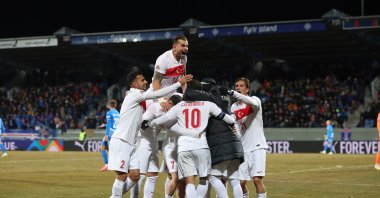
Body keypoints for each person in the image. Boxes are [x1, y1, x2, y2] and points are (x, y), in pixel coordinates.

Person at [107, 70, 192, 198]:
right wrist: (178, 83)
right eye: (142, 80)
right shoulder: (135, 94)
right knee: (122, 175)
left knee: (135, 175)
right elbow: (157, 92)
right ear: (134, 84)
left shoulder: (139, 94)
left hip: (132, 143)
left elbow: (155, 88)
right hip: (122, 140)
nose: (145, 82)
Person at [149, 79, 237, 198]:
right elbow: (226, 118)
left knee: (189, 181)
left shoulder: (180, 105)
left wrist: (148, 123)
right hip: (201, 146)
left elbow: (162, 119)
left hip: (183, 148)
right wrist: (232, 124)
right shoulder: (208, 104)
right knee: (203, 179)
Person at [185, 77, 245, 198]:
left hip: (220, 142)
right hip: (235, 142)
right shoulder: (225, 97)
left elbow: (189, 94)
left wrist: (189, 85)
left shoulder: (211, 98)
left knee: (212, 177)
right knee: (234, 180)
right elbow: (231, 119)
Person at [130, 94, 183, 198]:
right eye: (172, 106)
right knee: (139, 175)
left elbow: (169, 126)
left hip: (154, 143)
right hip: (143, 142)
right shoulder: (156, 107)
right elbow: (143, 123)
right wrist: (152, 122)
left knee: (153, 175)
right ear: (168, 102)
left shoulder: (173, 113)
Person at [229, 77, 268, 198]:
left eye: (241, 86)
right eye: (236, 86)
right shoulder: (234, 107)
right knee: (240, 182)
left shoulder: (254, 100)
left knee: (257, 179)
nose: (238, 88)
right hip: (244, 149)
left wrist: (233, 93)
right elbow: (237, 128)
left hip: (257, 146)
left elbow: (252, 103)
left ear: (247, 89)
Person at [99, 100, 120, 172]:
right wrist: (104, 125)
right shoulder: (118, 113)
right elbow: (116, 123)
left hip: (110, 133)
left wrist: (107, 135)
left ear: (108, 105)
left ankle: (107, 165)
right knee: (112, 149)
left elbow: (109, 124)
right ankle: (114, 165)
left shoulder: (109, 113)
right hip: (117, 133)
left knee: (103, 148)